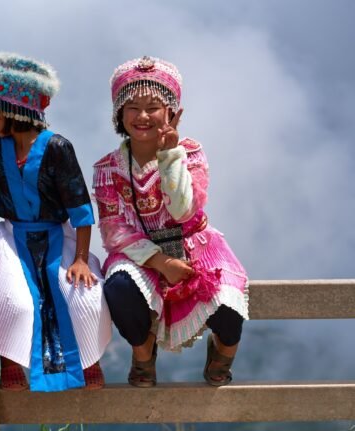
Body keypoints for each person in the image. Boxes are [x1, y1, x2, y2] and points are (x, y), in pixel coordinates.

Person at [93, 56, 249, 387]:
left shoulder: (190, 154)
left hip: (194, 243)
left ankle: (223, 350)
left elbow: (184, 212)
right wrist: (161, 262)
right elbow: (112, 230)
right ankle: (143, 352)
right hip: (140, 251)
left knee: (227, 305)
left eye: (153, 106)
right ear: (119, 113)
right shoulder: (108, 168)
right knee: (119, 289)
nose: (143, 116)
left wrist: (170, 157)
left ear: (171, 112)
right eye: (132, 107)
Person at [0, 52, 112, 392]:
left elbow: (80, 209)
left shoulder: (58, 148)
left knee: (82, 296)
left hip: (58, 237)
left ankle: (88, 362)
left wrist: (79, 259)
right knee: (8, 299)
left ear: (13, 110)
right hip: (12, 237)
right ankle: (11, 362)